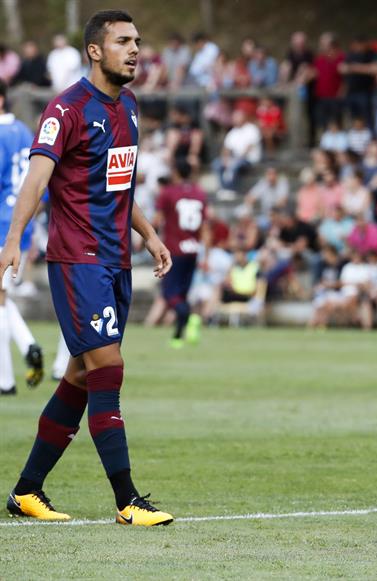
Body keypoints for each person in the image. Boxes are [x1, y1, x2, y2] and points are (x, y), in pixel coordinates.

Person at [0, 10, 173, 526]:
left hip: (116, 259)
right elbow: (35, 182)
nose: (135, 49)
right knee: (108, 370)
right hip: (79, 261)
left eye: (137, 41)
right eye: (123, 41)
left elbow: (119, 187)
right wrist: (12, 240)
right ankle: (127, 500)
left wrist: (148, 233)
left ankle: (27, 491)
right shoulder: (66, 109)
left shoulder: (131, 107)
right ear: (95, 50)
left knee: (79, 376)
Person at [0, 80, 44, 395]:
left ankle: (5, 380)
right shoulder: (25, 133)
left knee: (0, 301)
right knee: (2, 297)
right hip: (22, 223)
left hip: (2, 223)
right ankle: (28, 344)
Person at [155, 161, 208, 349]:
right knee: (182, 294)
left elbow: (158, 219)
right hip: (193, 250)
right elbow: (204, 227)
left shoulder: (168, 193)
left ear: (176, 171)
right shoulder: (200, 193)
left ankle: (191, 316)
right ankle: (177, 336)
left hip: (174, 251)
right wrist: (206, 255)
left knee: (170, 294)